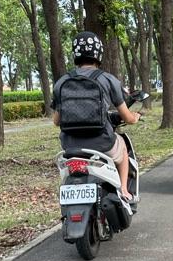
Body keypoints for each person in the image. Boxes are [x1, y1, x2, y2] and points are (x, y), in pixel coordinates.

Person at [51, 31, 141, 201]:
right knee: (122, 148)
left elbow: (56, 121)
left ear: (75, 54)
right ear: (98, 54)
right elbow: (127, 117)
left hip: (70, 146)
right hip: (102, 143)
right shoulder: (108, 79)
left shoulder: (61, 82)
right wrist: (134, 118)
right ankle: (123, 190)